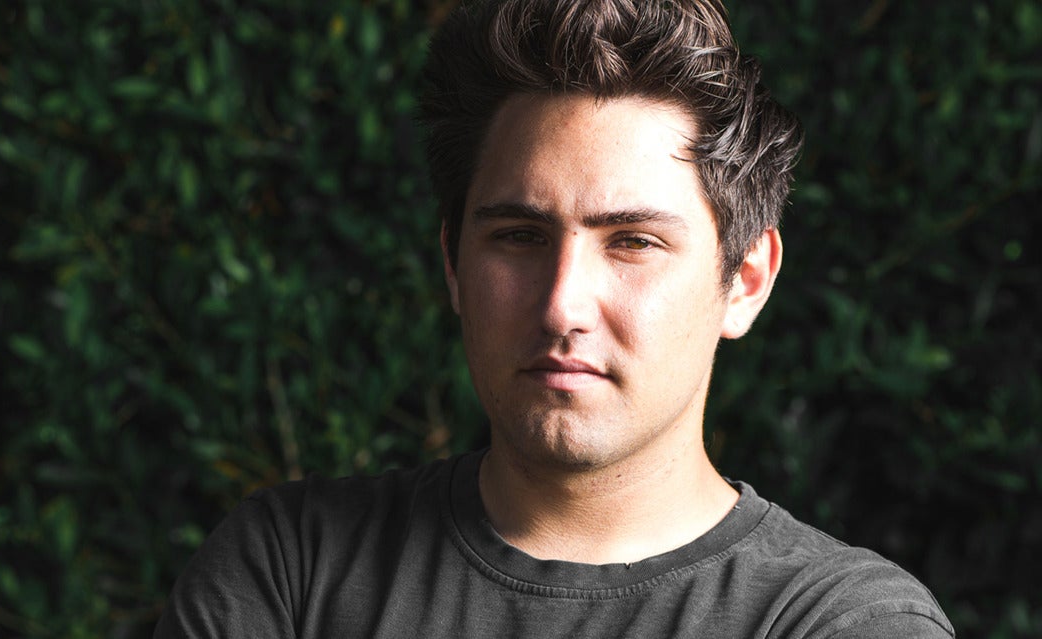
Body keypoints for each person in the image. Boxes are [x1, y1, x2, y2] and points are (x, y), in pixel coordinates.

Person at [155, 0, 955, 636]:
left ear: (744, 280)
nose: (561, 304)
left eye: (633, 241)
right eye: (519, 237)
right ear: (453, 263)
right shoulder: (291, 569)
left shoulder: (838, 621)